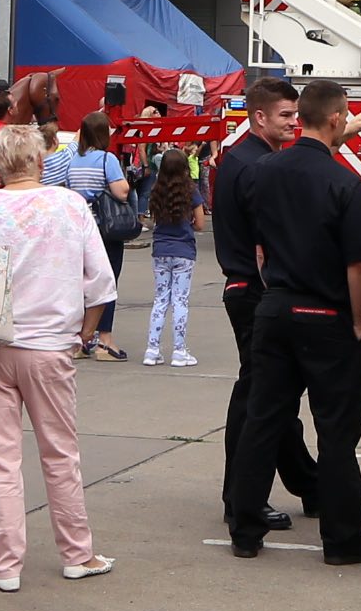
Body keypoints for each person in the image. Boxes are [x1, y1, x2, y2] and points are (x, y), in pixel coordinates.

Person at [0, 123, 115, 592]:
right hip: (50, 347)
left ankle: (7, 565)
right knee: (60, 454)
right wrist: (85, 333)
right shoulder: (70, 206)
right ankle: (78, 553)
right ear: (40, 159)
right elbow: (99, 280)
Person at [223, 81, 361, 567]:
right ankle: (342, 538)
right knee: (336, 430)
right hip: (327, 313)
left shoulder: (261, 171)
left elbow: (256, 238)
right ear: (336, 120)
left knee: (263, 417)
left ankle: (245, 527)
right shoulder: (343, 184)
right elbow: (358, 265)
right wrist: (357, 321)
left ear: (306, 117)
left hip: (275, 308)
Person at [211, 79, 316, 535]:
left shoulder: (245, 158)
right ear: (259, 116)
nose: (294, 122)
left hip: (248, 288)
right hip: (254, 291)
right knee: (260, 400)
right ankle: (242, 499)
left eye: (296, 115)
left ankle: (307, 483)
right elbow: (268, 237)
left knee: (267, 396)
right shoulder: (254, 166)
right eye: (286, 116)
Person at [45, 113, 133, 360]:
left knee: (82, 284)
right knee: (107, 282)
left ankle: (83, 338)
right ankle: (105, 340)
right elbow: (121, 192)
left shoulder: (74, 160)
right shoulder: (107, 159)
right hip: (105, 229)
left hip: (80, 228)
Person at [140, 153, 202, 366]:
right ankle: (179, 350)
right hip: (183, 249)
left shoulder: (157, 190)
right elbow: (201, 223)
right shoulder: (191, 191)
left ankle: (152, 349)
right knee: (180, 300)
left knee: (160, 299)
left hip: (160, 250)